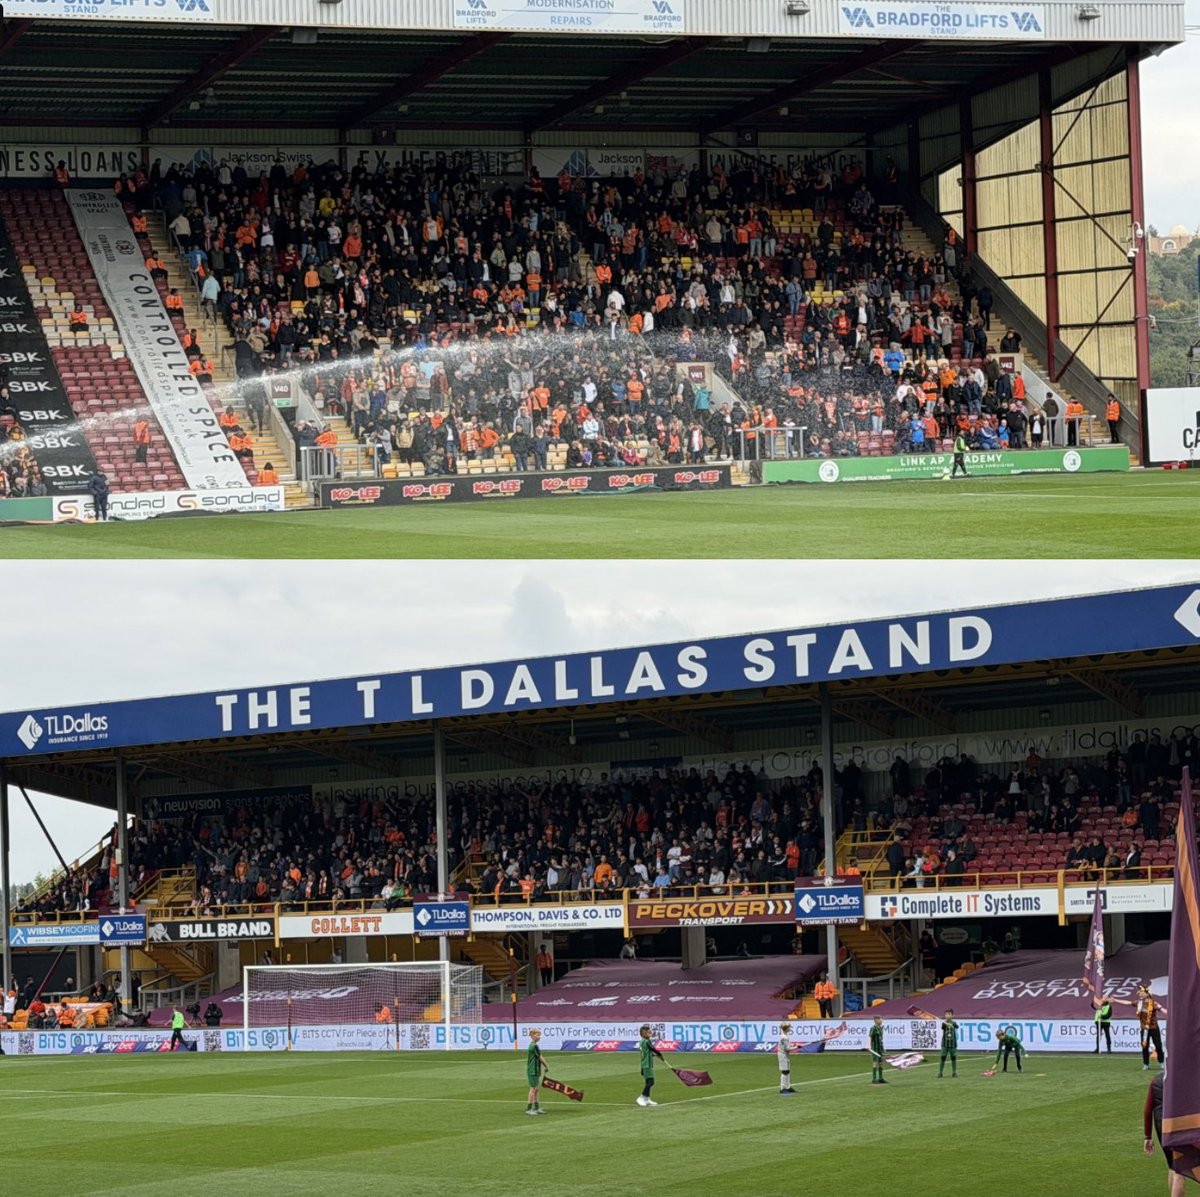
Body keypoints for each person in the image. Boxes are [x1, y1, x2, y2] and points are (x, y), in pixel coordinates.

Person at [1143, 1071, 1187, 1197]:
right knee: (1180, 1171)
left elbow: (1147, 1109)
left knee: (1172, 1167)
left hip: (1161, 1126)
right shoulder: (1184, 1079)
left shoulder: (1156, 1080)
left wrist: (1148, 1136)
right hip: (1179, 1125)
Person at [637, 1023, 665, 1107]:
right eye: (648, 1032)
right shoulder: (646, 1041)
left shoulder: (642, 1042)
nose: (650, 1034)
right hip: (647, 1065)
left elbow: (647, 1053)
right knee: (651, 1082)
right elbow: (653, 1049)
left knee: (648, 1082)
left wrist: (655, 1055)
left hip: (645, 1064)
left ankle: (647, 1098)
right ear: (643, 1034)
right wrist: (660, 1055)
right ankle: (641, 1097)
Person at [525, 1028, 546, 1116]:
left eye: (539, 1035)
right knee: (533, 1089)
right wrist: (546, 1066)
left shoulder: (533, 1045)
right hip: (533, 1070)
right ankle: (529, 1109)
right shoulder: (534, 1046)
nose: (539, 1037)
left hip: (536, 1069)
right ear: (533, 1036)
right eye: (537, 1035)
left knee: (536, 1089)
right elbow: (540, 1057)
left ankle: (537, 1108)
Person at [938, 1010, 958, 1078]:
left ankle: (954, 1072)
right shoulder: (943, 1023)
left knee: (953, 1058)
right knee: (943, 1058)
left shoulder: (954, 1022)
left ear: (952, 1015)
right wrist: (946, 1024)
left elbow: (956, 1026)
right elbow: (943, 1027)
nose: (947, 1015)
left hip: (953, 1044)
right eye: (946, 1014)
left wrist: (951, 1025)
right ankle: (940, 1072)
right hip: (944, 1044)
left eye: (949, 1014)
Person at [777, 1024, 795, 1095]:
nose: (790, 1028)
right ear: (786, 1028)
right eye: (789, 1027)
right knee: (784, 1071)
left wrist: (794, 1045)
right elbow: (787, 1048)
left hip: (785, 1055)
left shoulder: (785, 1036)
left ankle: (788, 1087)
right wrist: (797, 1047)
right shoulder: (784, 1037)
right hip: (782, 1056)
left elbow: (787, 1046)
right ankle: (782, 1088)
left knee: (787, 1071)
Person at [869, 1015, 887, 1085]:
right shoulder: (873, 1028)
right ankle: (874, 1079)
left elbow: (881, 1039)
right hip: (875, 1048)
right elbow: (870, 1037)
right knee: (875, 1063)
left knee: (880, 1063)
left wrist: (883, 1047)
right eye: (880, 1019)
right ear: (876, 1020)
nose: (881, 1021)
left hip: (880, 1048)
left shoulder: (880, 1028)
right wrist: (868, 1045)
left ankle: (880, 1078)